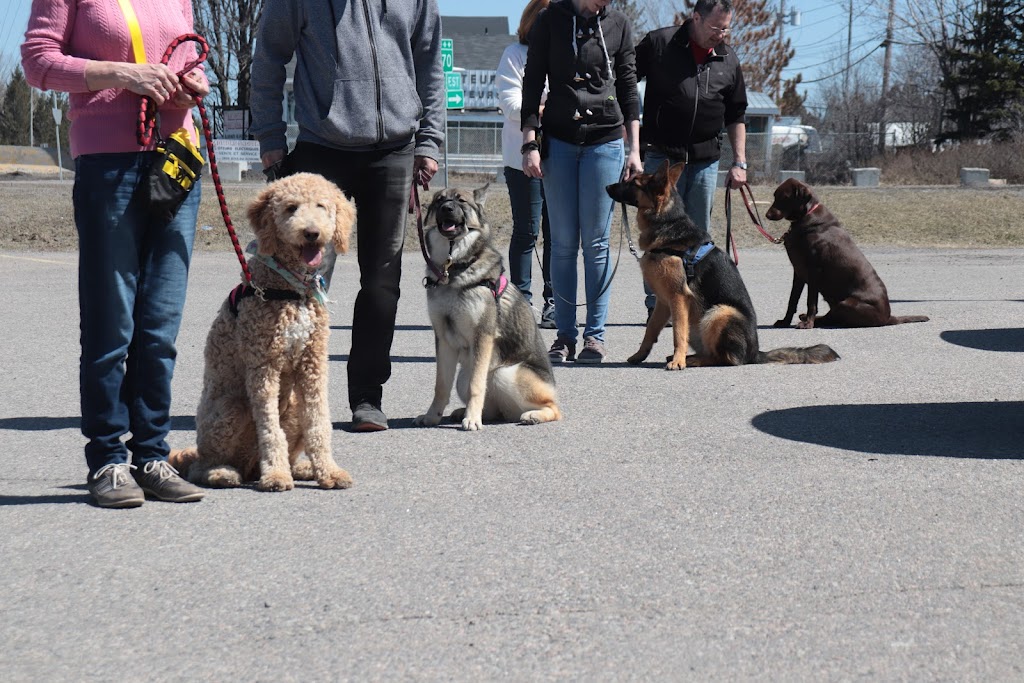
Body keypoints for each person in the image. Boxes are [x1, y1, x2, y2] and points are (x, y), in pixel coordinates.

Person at [21, 0, 210, 507]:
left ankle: (151, 456)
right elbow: (38, 62)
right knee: (112, 323)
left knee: (161, 325)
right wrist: (125, 75)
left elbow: (189, 58)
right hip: (108, 167)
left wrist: (193, 83)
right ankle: (107, 459)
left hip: (176, 161)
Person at [249, 0, 444, 432]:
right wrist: (269, 136)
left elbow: (430, 64)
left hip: (394, 151)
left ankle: (367, 399)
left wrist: (429, 141)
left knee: (381, 282)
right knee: (301, 280)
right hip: (322, 148)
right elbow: (268, 59)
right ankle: (285, 400)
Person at [522, 0, 642, 364]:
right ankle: (564, 336)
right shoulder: (549, 20)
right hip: (558, 139)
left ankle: (595, 337)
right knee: (561, 243)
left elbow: (628, 85)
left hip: (605, 142)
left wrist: (633, 148)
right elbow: (532, 80)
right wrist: (530, 142)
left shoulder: (619, 23)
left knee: (597, 243)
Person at [635, 0, 749, 317]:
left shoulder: (729, 58)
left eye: (726, 28)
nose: (721, 34)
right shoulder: (659, 43)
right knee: (658, 234)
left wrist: (739, 162)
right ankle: (657, 305)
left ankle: (692, 303)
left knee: (697, 237)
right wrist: (627, 137)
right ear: (695, 18)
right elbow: (625, 81)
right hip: (661, 158)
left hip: (704, 160)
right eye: (716, 27)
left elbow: (737, 113)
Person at [497, 0, 555, 329]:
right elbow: (511, 105)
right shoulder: (514, 55)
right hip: (521, 159)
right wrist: (549, 105)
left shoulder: (562, 54)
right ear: (533, 21)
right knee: (527, 230)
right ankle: (521, 302)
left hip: (559, 156)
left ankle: (553, 302)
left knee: (556, 234)